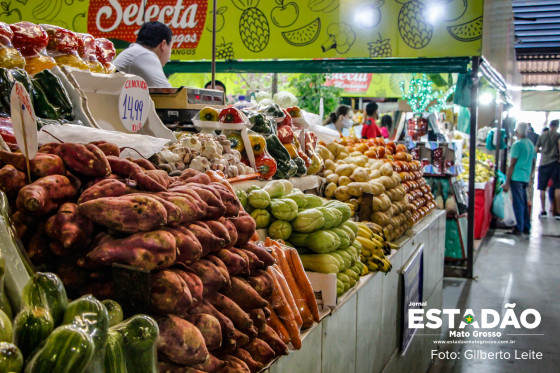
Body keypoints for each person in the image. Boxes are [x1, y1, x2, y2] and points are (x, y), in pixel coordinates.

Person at [113, 21, 173, 88]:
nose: (169, 56)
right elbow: (169, 95)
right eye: (170, 47)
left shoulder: (135, 52)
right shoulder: (144, 55)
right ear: (163, 44)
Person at [503, 122, 536, 235]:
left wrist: (507, 182)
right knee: (523, 203)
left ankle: (518, 227)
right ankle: (526, 226)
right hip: (525, 178)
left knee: (517, 203)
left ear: (517, 132)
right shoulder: (530, 144)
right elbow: (533, 162)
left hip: (516, 177)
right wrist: (529, 175)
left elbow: (512, 164)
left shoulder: (517, 145)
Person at [535, 119, 560, 219]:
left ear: (550, 125)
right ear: (557, 126)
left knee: (542, 188)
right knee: (557, 187)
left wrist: (543, 152)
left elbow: (536, 149)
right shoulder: (558, 135)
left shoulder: (542, 135)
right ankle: (558, 212)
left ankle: (543, 210)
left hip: (543, 163)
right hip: (555, 163)